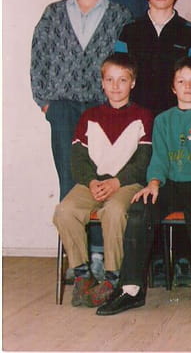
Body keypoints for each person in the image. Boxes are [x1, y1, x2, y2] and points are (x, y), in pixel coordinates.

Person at [96, 57, 191, 321]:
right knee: (140, 209)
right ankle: (131, 288)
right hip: (168, 184)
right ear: (173, 87)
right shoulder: (163, 120)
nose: (187, 86)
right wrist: (154, 183)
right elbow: (158, 158)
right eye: (181, 81)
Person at [114, 0, 191, 286]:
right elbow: (120, 75)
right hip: (139, 121)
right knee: (148, 182)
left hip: (178, 119)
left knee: (180, 181)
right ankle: (154, 259)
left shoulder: (189, 32)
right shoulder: (129, 31)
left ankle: (181, 259)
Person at [32, 0, 133, 200]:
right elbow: (39, 56)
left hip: (103, 105)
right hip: (63, 106)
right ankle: (69, 227)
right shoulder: (54, 13)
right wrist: (46, 103)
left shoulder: (120, 15)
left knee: (102, 176)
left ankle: (98, 230)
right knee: (69, 177)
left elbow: (127, 62)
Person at [53, 53, 153, 307]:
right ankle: (82, 275)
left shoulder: (143, 116)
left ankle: (113, 277)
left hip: (126, 183)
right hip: (94, 183)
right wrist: (91, 182)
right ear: (102, 82)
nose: (115, 86)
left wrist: (117, 183)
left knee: (115, 211)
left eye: (122, 80)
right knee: (65, 210)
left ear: (133, 83)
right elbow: (78, 158)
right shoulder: (90, 116)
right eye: (110, 80)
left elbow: (143, 161)